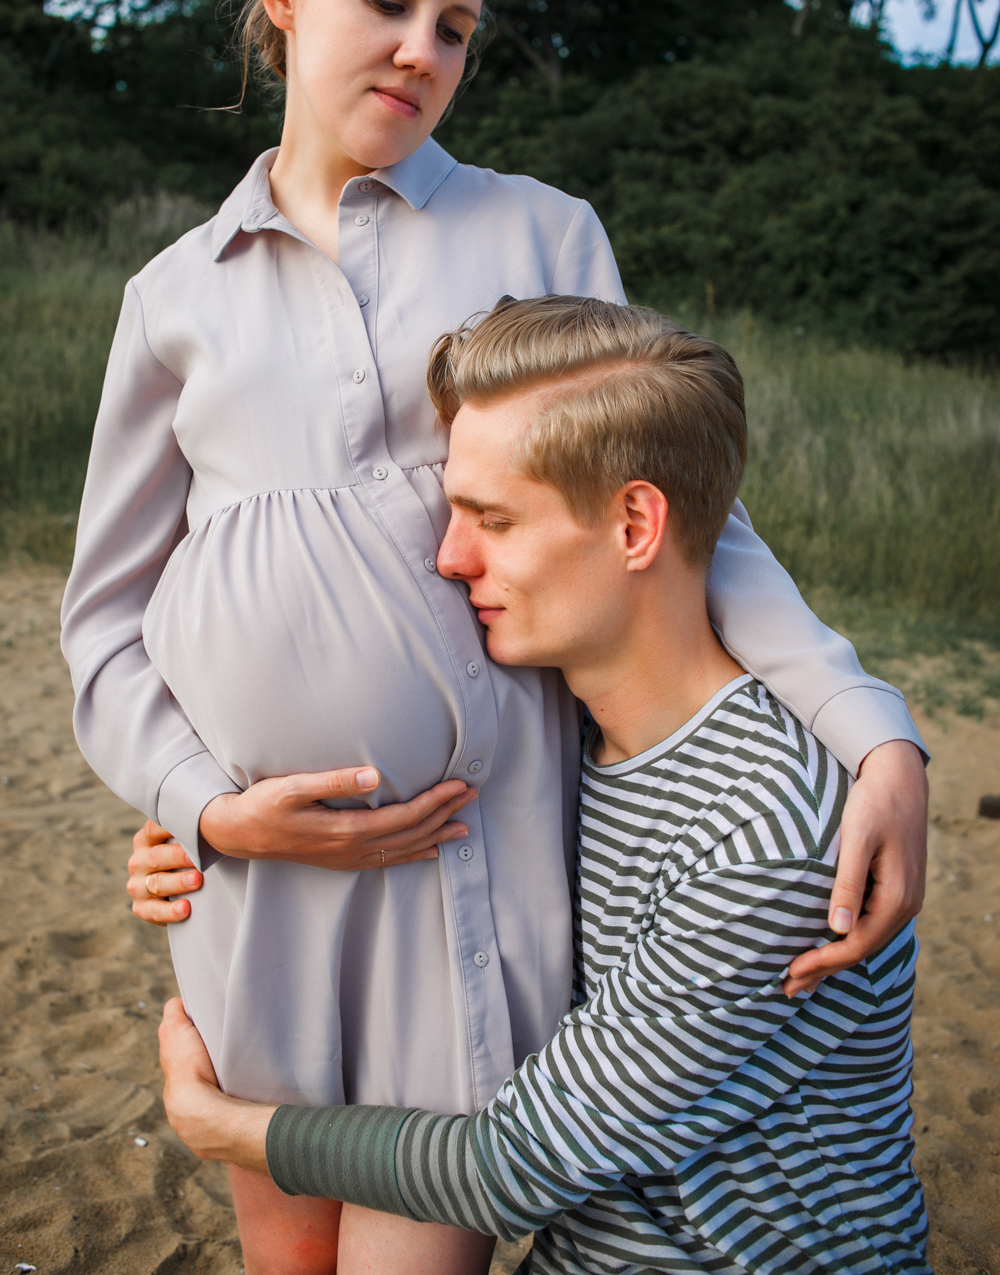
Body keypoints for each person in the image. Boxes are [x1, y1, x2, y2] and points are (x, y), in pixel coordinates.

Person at [61, 0, 927, 1275]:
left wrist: (869, 725)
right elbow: (103, 624)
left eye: (456, 27)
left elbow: (692, 514)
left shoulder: (539, 231)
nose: (422, 49)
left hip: (471, 860)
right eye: (387, 1)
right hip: (263, 886)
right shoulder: (172, 295)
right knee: (287, 1254)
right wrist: (204, 812)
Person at [159, 295, 929, 1274]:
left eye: (494, 519)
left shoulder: (769, 834)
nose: (449, 557)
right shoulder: (549, 737)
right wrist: (204, 831)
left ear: (636, 523)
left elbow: (509, 1170)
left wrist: (223, 1127)